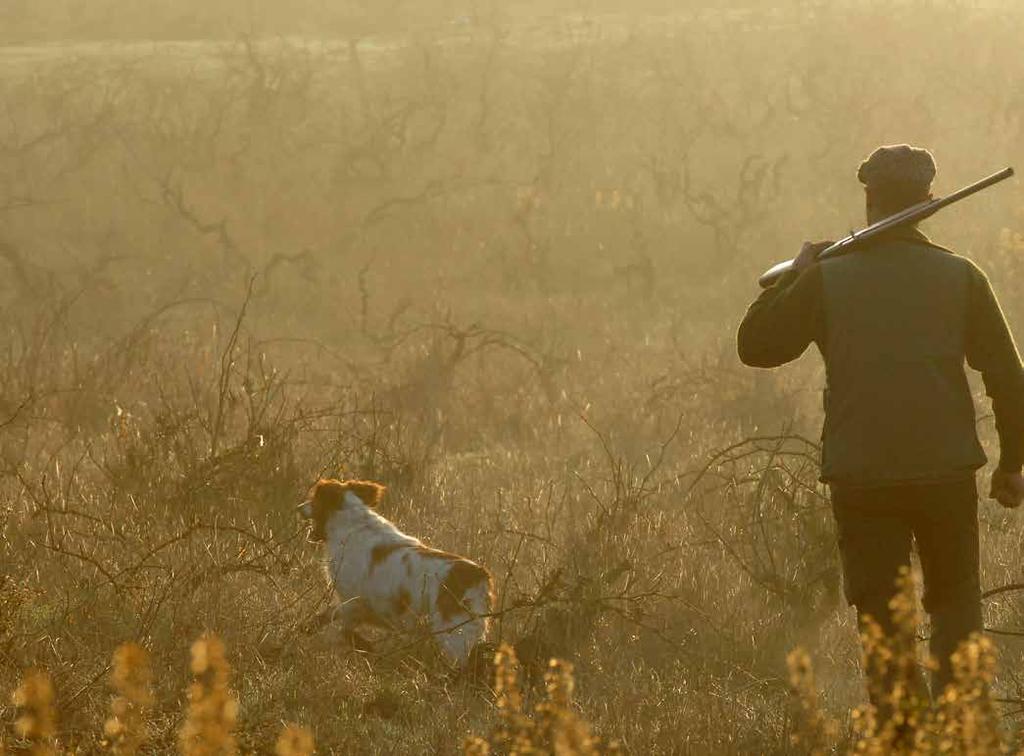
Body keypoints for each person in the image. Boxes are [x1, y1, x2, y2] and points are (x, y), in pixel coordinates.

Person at [736, 144, 1024, 697]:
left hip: (863, 480)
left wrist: (796, 277)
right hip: (945, 476)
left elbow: (756, 346)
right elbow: (1010, 379)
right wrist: (1011, 464)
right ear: (929, 202)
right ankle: (962, 737)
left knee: (885, 636)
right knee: (957, 617)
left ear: (869, 200)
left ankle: (902, 739)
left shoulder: (825, 279)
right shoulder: (963, 277)